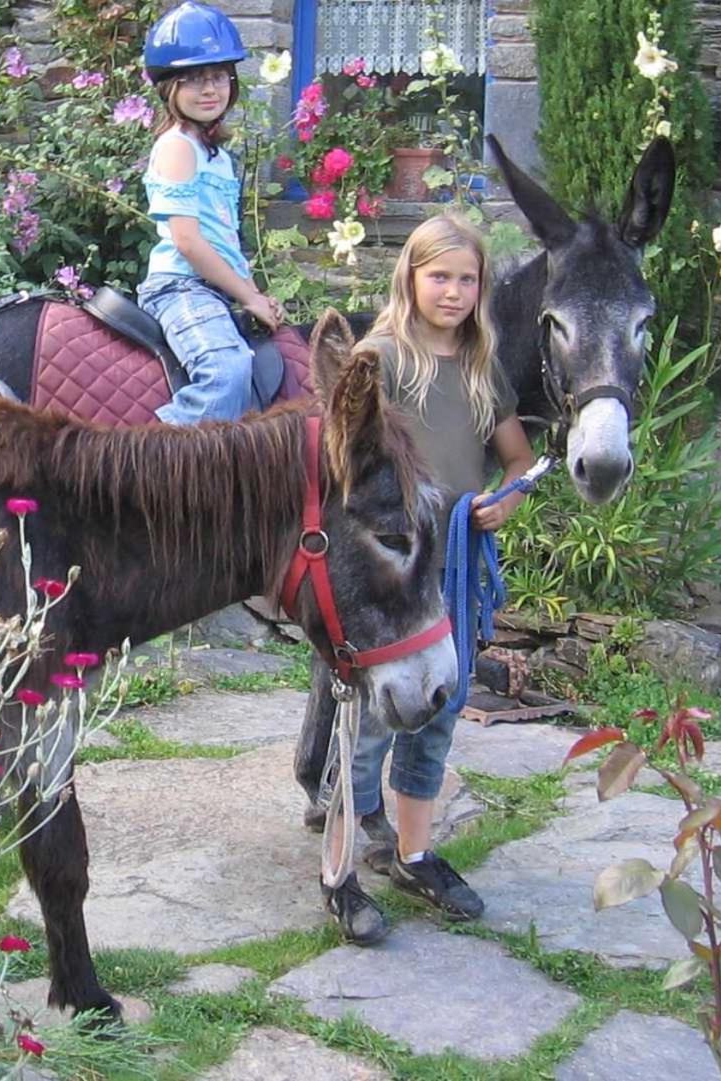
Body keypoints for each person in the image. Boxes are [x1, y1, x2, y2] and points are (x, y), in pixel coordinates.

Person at [317, 213, 535, 944]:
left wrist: (507, 494)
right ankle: (341, 867)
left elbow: (513, 456)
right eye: (437, 275)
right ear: (408, 278)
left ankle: (412, 852)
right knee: (373, 720)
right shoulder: (379, 359)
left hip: (455, 567)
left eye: (465, 278)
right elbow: (340, 457)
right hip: (393, 569)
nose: (452, 290)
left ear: (481, 288)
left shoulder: (480, 369)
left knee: (439, 708)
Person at [137, 1, 285, 426]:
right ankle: (153, 464)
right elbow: (188, 240)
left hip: (213, 288)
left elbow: (224, 240)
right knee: (226, 371)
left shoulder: (214, 152)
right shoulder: (178, 145)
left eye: (219, 76)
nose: (210, 89)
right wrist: (248, 296)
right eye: (194, 79)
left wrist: (253, 291)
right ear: (169, 87)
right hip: (180, 287)